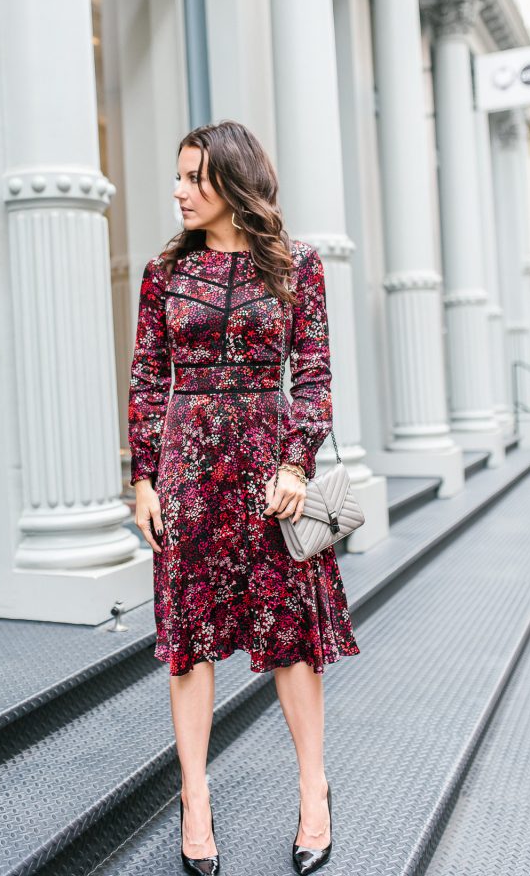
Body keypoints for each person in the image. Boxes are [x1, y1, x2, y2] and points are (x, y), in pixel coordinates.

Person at [127, 120, 360, 875]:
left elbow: (317, 378)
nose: (178, 191)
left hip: (269, 474)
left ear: (234, 181)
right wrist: (142, 478)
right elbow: (146, 381)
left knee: (290, 633)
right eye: (178, 175)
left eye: (194, 177)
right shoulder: (163, 275)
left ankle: (313, 787)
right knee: (190, 642)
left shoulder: (299, 268)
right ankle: (194, 798)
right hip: (187, 470)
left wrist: (297, 463)